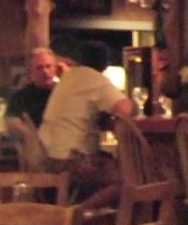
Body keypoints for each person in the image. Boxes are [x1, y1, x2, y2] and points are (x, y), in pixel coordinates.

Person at [39, 41, 133, 204]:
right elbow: (125, 109)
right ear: (105, 65)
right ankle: (79, 212)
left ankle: (78, 212)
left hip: (48, 159)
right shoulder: (94, 78)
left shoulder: (68, 77)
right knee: (129, 178)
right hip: (72, 161)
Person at [4, 47, 58, 127]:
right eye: (39, 68)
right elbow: (10, 124)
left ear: (55, 69)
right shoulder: (20, 98)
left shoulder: (63, 93)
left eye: (48, 66)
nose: (45, 71)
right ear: (31, 72)